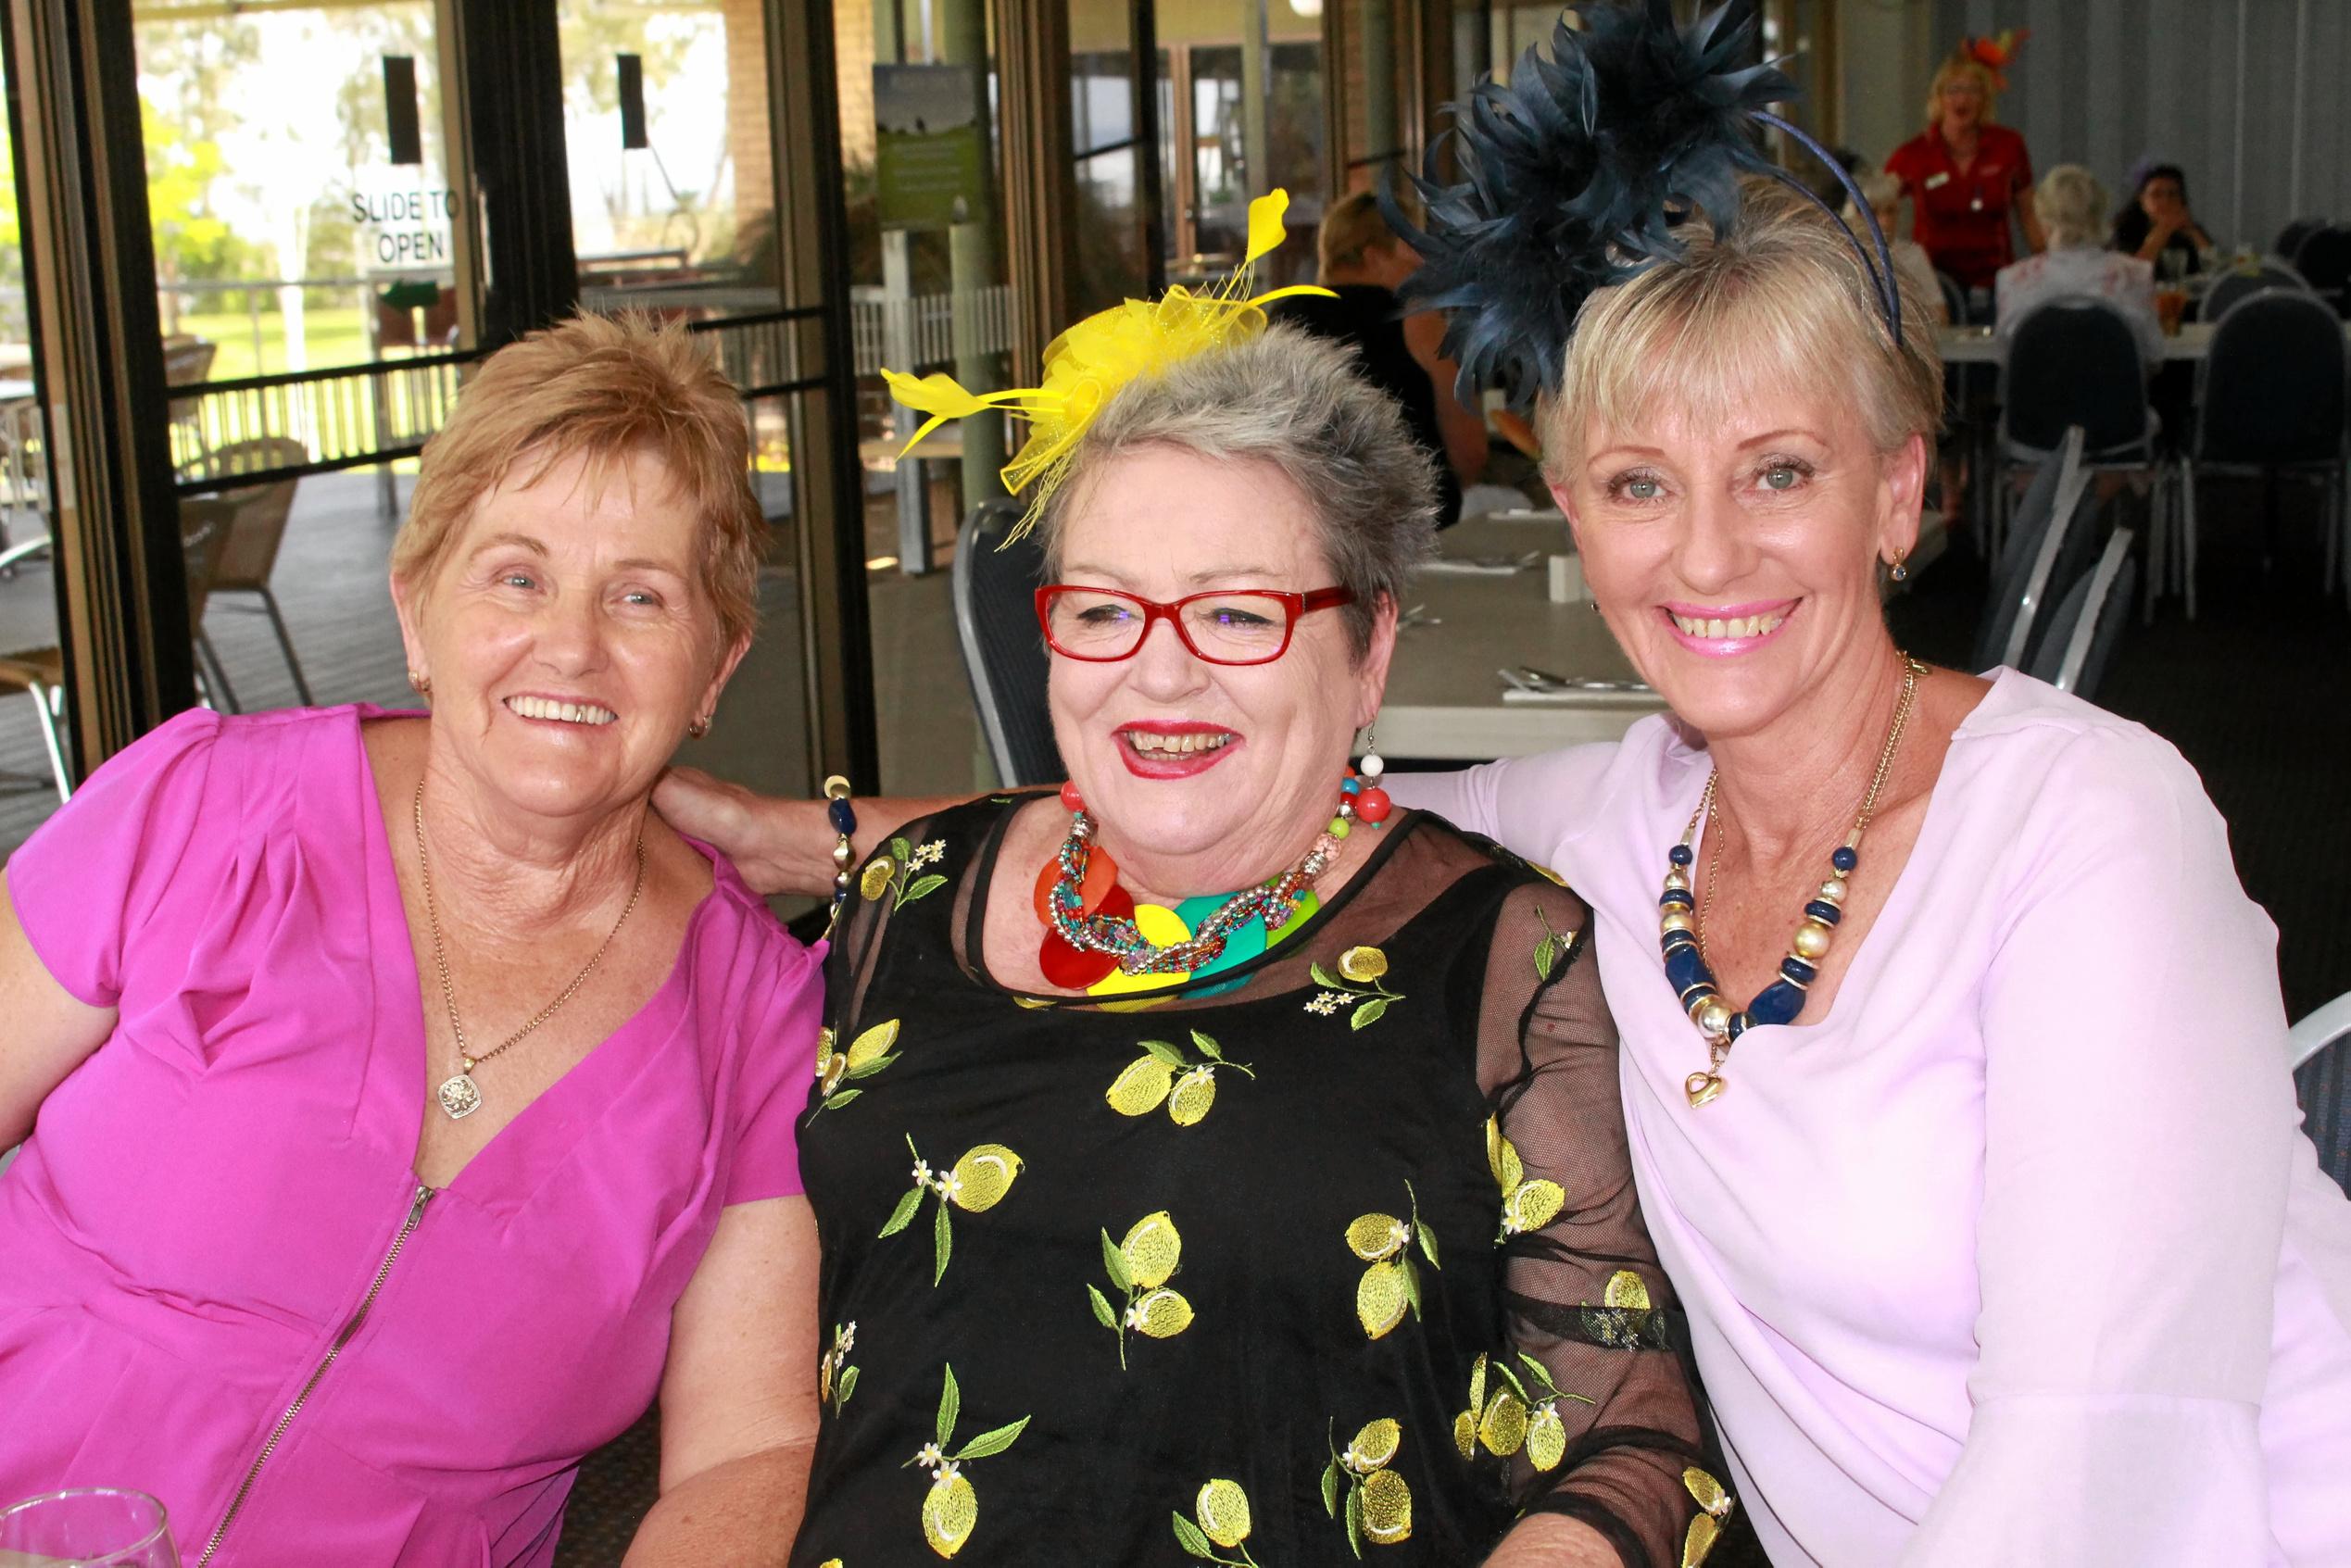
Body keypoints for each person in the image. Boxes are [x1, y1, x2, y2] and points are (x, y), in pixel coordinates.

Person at [664, 7, 2351, 1563]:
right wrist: (805, 834)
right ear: (1570, 504)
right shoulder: (1625, 821)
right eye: (1636, 480)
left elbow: (2103, 1459)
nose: (1705, 550)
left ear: (1901, 492)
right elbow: (1265, 797)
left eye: (1779, 471)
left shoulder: (2085, 834)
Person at [785, 196, 1718, 1566]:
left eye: (1237, 612)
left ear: (1369, 651)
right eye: (1102, 609)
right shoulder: (906, 894)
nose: (1158, 674)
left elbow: (1630, 1441)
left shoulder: (1501, 963)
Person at [0, 314, 824, 1565]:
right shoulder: (203, 811)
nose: (571, 645)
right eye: (516, 576)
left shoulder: (757, 1019)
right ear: (415, 611)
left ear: (715, 667)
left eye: (642, 597)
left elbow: (746, 1451)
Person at [1267, 189, 1488, 527]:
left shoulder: (1281, 321)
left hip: (1313, 525)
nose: (1422, 266)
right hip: (1412, 531)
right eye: (1411, 253)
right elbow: (1468, 449)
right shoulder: (1418, 322)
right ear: (1373, 255)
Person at [1883, 41, 2044, 295]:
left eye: (1973, 91)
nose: (1963, 99)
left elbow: (2028, 214)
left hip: (1996, 280)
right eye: (1954, 90)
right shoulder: (1914, 153)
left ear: (1985, 99)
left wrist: (2046, 263)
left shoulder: (2008, 146)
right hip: (1935, 281)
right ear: (1938, 98)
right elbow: (1879, 201)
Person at [1995, 164, 2165, 370]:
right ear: (2100, 213)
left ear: (2043, 219)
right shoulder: (2136, 275)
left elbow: (2007, 358)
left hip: (2040, 399)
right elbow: (2154, 355)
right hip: (2115, 399)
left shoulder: (2012, 280)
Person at [1850, 170, 1948, 326]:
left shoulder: (1914, 255)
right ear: (1855, 213)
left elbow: (1940, 316)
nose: (1884, 222)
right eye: (1873, 212)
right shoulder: (1845, 254)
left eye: (1890, 211)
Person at [2112, 160, 2215, 281]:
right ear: (2142, 200)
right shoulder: (2123, 230)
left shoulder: (2190, 232)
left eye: (2172, 194)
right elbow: (2133, 275)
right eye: (2156, 194)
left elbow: (2216, 270)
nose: (2165, 201)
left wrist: (2193, 233)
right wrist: (2163, 230)